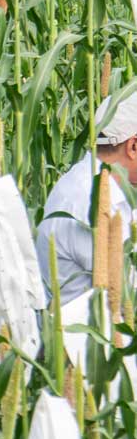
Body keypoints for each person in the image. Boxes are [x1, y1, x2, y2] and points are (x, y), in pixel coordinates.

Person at [36, 92, 136, 305]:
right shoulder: (87, 200)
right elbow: (128, 292)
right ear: (133, 147)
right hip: (93, 324)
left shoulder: (111, 186)